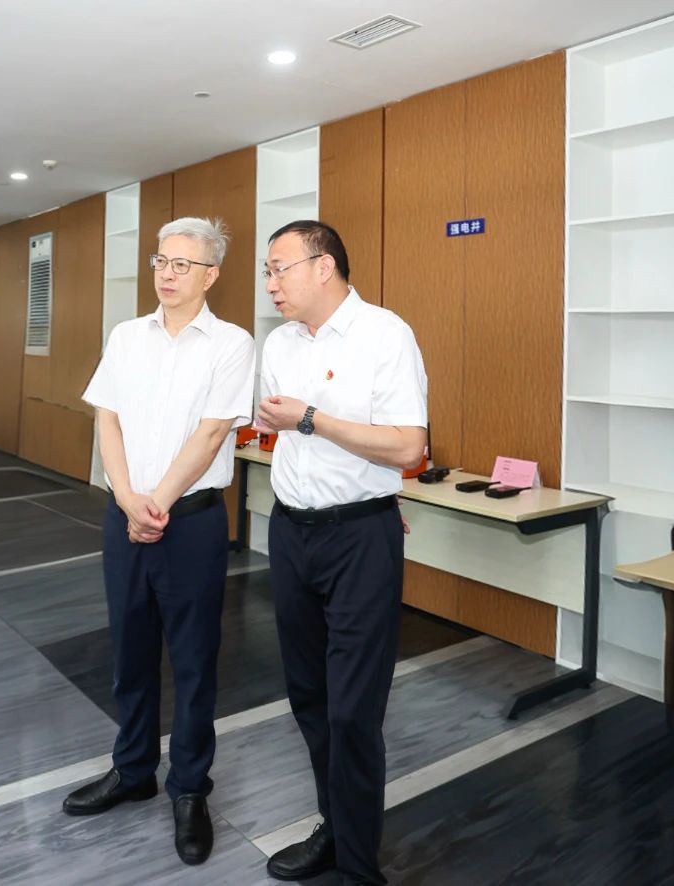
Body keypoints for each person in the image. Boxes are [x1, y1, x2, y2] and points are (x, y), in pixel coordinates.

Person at [63, 217, 255, 866]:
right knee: (130, 650)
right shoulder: (126, 336)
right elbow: (107, 419)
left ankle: (190, 788)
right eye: (161, 261)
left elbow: (211, 434)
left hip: (191, 522)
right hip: (125, 516)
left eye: (183, 265)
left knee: (194, 660)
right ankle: (133, 769)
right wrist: (126, 498)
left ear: (211, 275)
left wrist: (159, 502)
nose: (167, 274)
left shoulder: (231, 344)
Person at [254, 220, 428, 885]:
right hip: (291, 532)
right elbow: (280, 435)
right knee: (309, 696)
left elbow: (408, 446)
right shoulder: (280, 343)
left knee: (354, 710)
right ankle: (335, 827)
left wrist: (311, 417)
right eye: (268, 272)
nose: (271, 284)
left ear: (323, 266)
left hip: (359, 538)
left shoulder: (385, 334)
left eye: (280, 269)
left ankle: (359, 869)